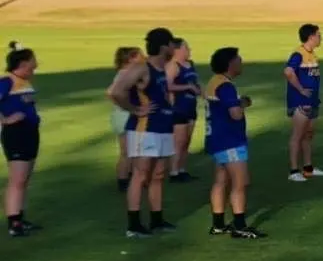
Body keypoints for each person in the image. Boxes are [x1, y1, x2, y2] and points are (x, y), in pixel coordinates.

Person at [110, 28, 179, 237]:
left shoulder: (161, 69)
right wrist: (135, 109)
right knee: (140, 175)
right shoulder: (142, 68)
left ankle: (157, 220)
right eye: (171, 44)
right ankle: (134, 225)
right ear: (163, 46)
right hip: (145, 130)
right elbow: (116, 91)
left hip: (162, 128)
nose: (174, 49)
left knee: (158, 175)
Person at [203, 47, 262, 238]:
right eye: (238, 59)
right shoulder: (226, 86)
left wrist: (239, 102)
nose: (241, 61)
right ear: (230, 64)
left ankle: (218, 224)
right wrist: (242, 104)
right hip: (230, 141)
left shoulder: (214, 82)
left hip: (217, 140)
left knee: (220, 180)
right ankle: (239, 225)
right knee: (240, 182)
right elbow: (235, 114)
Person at [2, 43, 40, 238]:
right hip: (15, 135)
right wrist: (5, 120)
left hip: (30, 133)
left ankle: (20, 218)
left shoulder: (24, 81)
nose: (37, 64)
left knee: (24, 179)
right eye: (33, 61)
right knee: (17, 180)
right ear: (24, 63)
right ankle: (13, 223)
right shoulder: (7, 81)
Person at [284, 24, 323, 182]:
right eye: (318, 35)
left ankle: (308, 168)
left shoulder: (313, 55)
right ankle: (293, 171)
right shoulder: (298, 54)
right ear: (311, 37)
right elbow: (288, 72)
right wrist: (301, 89)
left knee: (308, 135)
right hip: (300, 102)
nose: (320, 38)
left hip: (312, 101)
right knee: (298, 135)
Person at [166, 38, 201, 182]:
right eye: (186, 48)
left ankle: (182, 169)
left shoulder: (190, 64)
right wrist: (187, 88)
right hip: (178, 107)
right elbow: (167, 86)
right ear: (177, 50)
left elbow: (196, 83)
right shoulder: (173, 66)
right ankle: (174, 172)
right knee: (178, 142)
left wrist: (203, 92)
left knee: (187, 141)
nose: (189, 50)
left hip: (191, 106)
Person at [110, 46, 142, 193]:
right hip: (124, 116)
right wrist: (130, 107)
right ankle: (123, 180)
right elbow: (111, 93)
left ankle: (129, 177)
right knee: (128, 151)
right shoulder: (126, 74)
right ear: (130, 59)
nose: (143, 57)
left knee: (130, 150)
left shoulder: (125, 73)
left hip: (121, 114)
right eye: (139, 56)